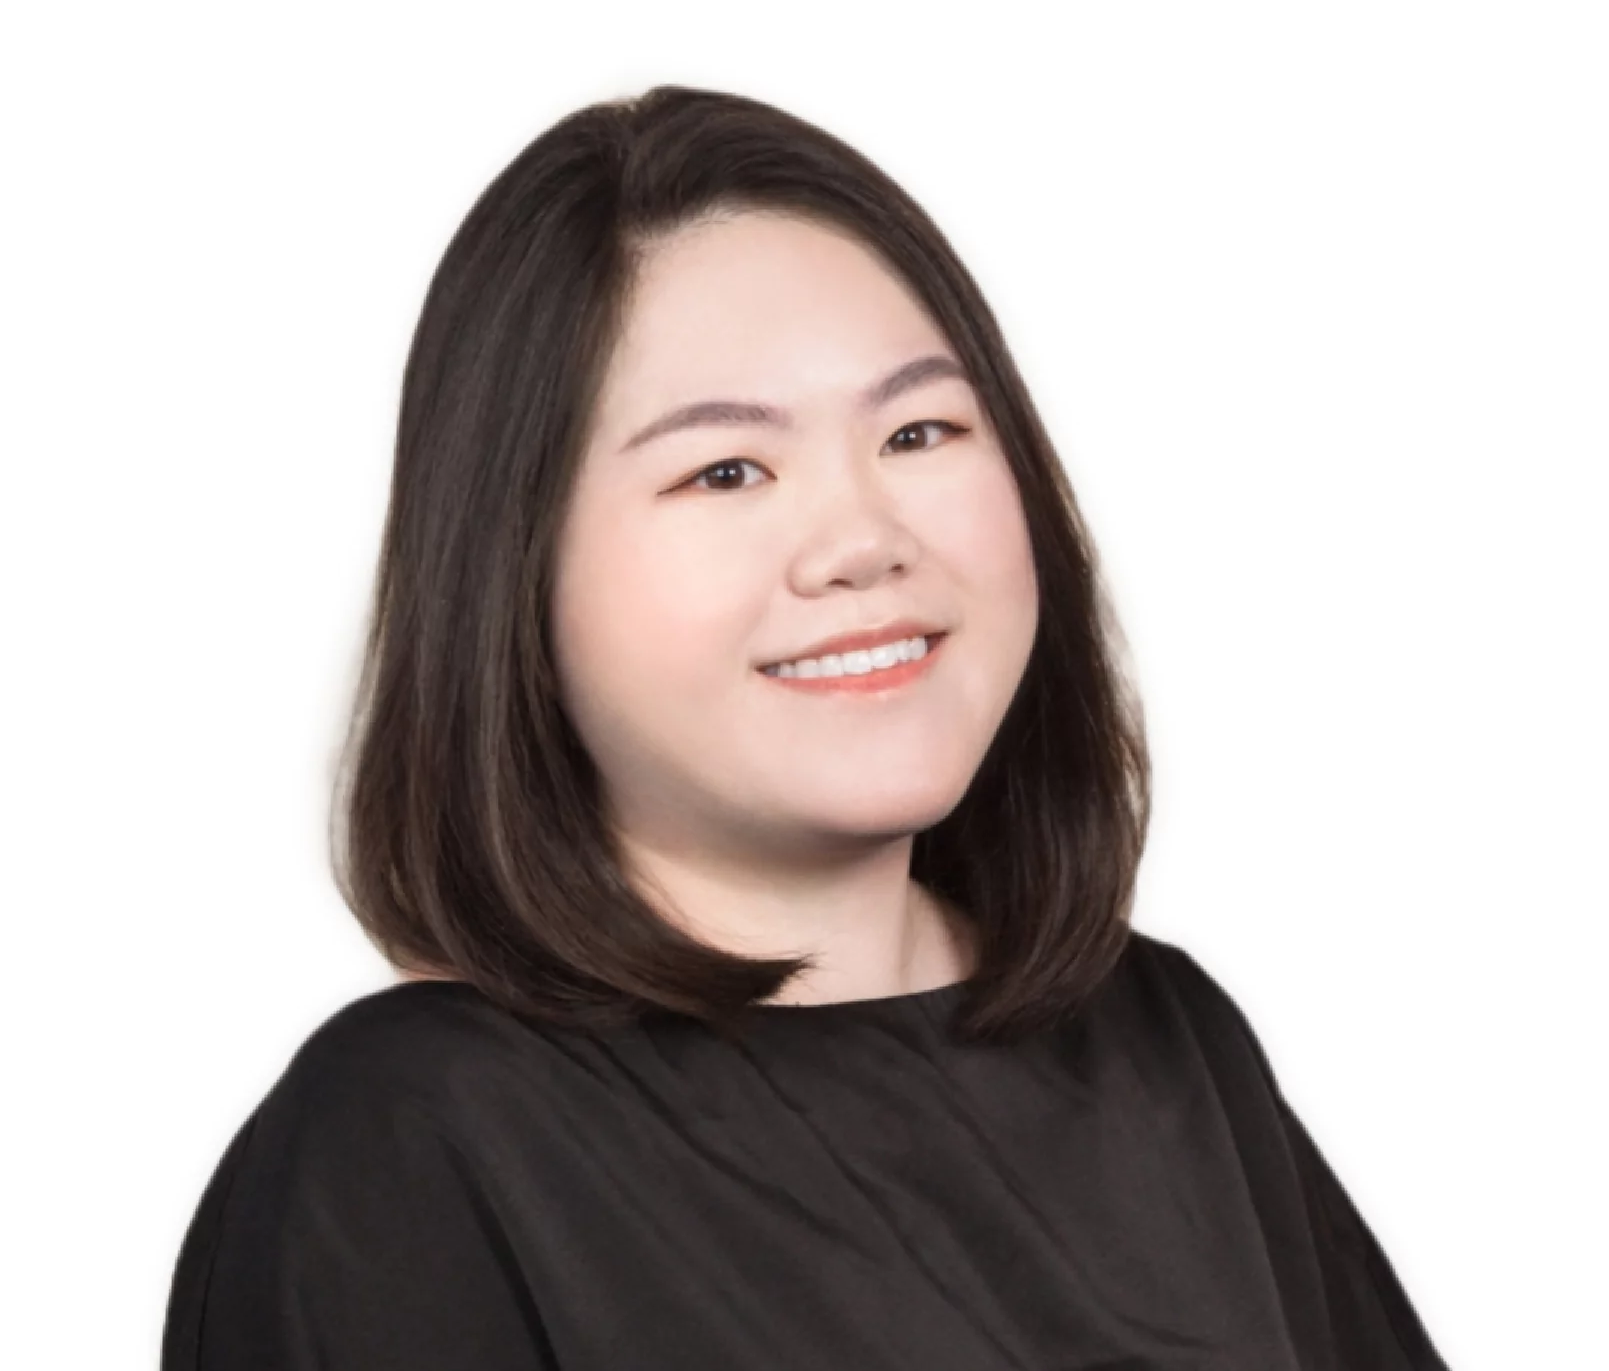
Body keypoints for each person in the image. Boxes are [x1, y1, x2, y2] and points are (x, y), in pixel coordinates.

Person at [160, 84, 1450, 1369]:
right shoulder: (407, 1143)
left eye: (919, 431)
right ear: (513, 572)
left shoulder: (1168, 1042)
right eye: (726, 470)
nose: (862, 541)